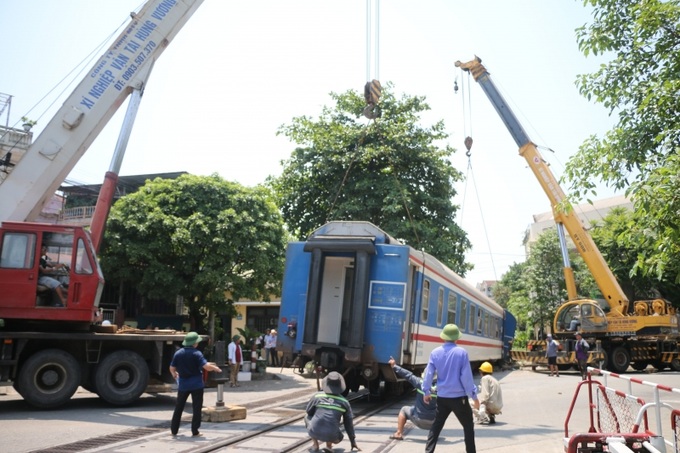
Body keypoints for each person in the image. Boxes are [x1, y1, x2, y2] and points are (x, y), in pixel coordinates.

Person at [422, 324, 479, 453]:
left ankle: (428, 451)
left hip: (442, 398)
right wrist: (474, 397)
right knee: (468, 426)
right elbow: (466, 378)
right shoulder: (462, 353)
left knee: (436, 427)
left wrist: (426, 391)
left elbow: (428, 374)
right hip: (459, 399)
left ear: (444, 337)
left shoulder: (435, 353)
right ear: (456, 338)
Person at [169, 332, 221, 437]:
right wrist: (215, 368)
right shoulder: (197, 353)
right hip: (196, 385)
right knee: (196, 408)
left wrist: (174, 374)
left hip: (183, 385)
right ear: (194, 343)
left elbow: (172, 368)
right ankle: (195, 431)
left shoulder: (178, 353)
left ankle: (174, 430)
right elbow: (206, 366)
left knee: (179, 407)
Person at [304, 371, 360, 452]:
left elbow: (309, 412)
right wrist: (353, 441)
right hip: (334, 437)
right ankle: (329, 446)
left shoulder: (317, 396)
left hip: (314, 432)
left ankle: (315, 445)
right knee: (333, 425)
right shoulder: (344, 402)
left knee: (307, 417)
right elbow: (349, 424)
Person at [388, 357, 437, 440]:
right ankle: (433, 435)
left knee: (404, 409)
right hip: (434, 422)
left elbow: (407, 375)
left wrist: (394, 366)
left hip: (418, 419)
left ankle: (399, 433)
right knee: (442, 413)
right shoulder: (441, 388)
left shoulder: (419, 383)